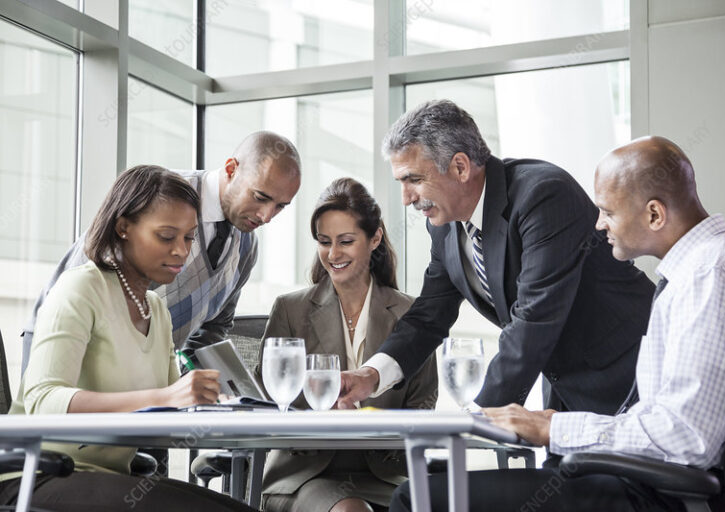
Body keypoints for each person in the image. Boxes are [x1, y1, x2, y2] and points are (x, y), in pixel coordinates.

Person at [390, 136, 725, 511]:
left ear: (654, 214)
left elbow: (685, 438)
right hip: (649, 484)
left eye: (608, 212)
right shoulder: (710, 268)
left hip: (658, 495)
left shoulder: (709, 277)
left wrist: (553, 428)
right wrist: (555, 423)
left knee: (417, 497)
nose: (599, 225)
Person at [338, 100, 655, 419]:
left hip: (634, 378)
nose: (407, 198)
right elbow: (429, 317)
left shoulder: (543, 195)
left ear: (460, 167)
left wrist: (477, 420)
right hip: (566, 391)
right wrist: (371, 375)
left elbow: (533, 318)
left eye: (414, 180)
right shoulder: (444, 225)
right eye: (401, 183)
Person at [0, 165, 255, 511]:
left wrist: (213, 404)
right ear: (123, 228)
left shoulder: (156, 310)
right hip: (37, 475)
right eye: (166, 236)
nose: (182, 251)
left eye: (189, 238)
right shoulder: (81, 288)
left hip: (106, 476)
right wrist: (167, 396)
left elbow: (168, 412)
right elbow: (43, 400)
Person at [22, 130, 302, 371]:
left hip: (142, 378)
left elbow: (212, 329)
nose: (267, 216)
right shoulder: (161, 197)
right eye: (260, 197)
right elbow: (79, 284)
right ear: (231, 169)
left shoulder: (246, 247)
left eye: (280, 206)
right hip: (66, 346)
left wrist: (206, 389)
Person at [257, 178, 438, 512]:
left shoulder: (409, 316)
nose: (333, 254)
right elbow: (267, 403)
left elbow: (423, 405)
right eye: (324, 242)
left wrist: (374, 427)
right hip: (305, 477)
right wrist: (320, 417)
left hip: (387, 475)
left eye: (346, 241)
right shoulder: (291, 310)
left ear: (375, 239)